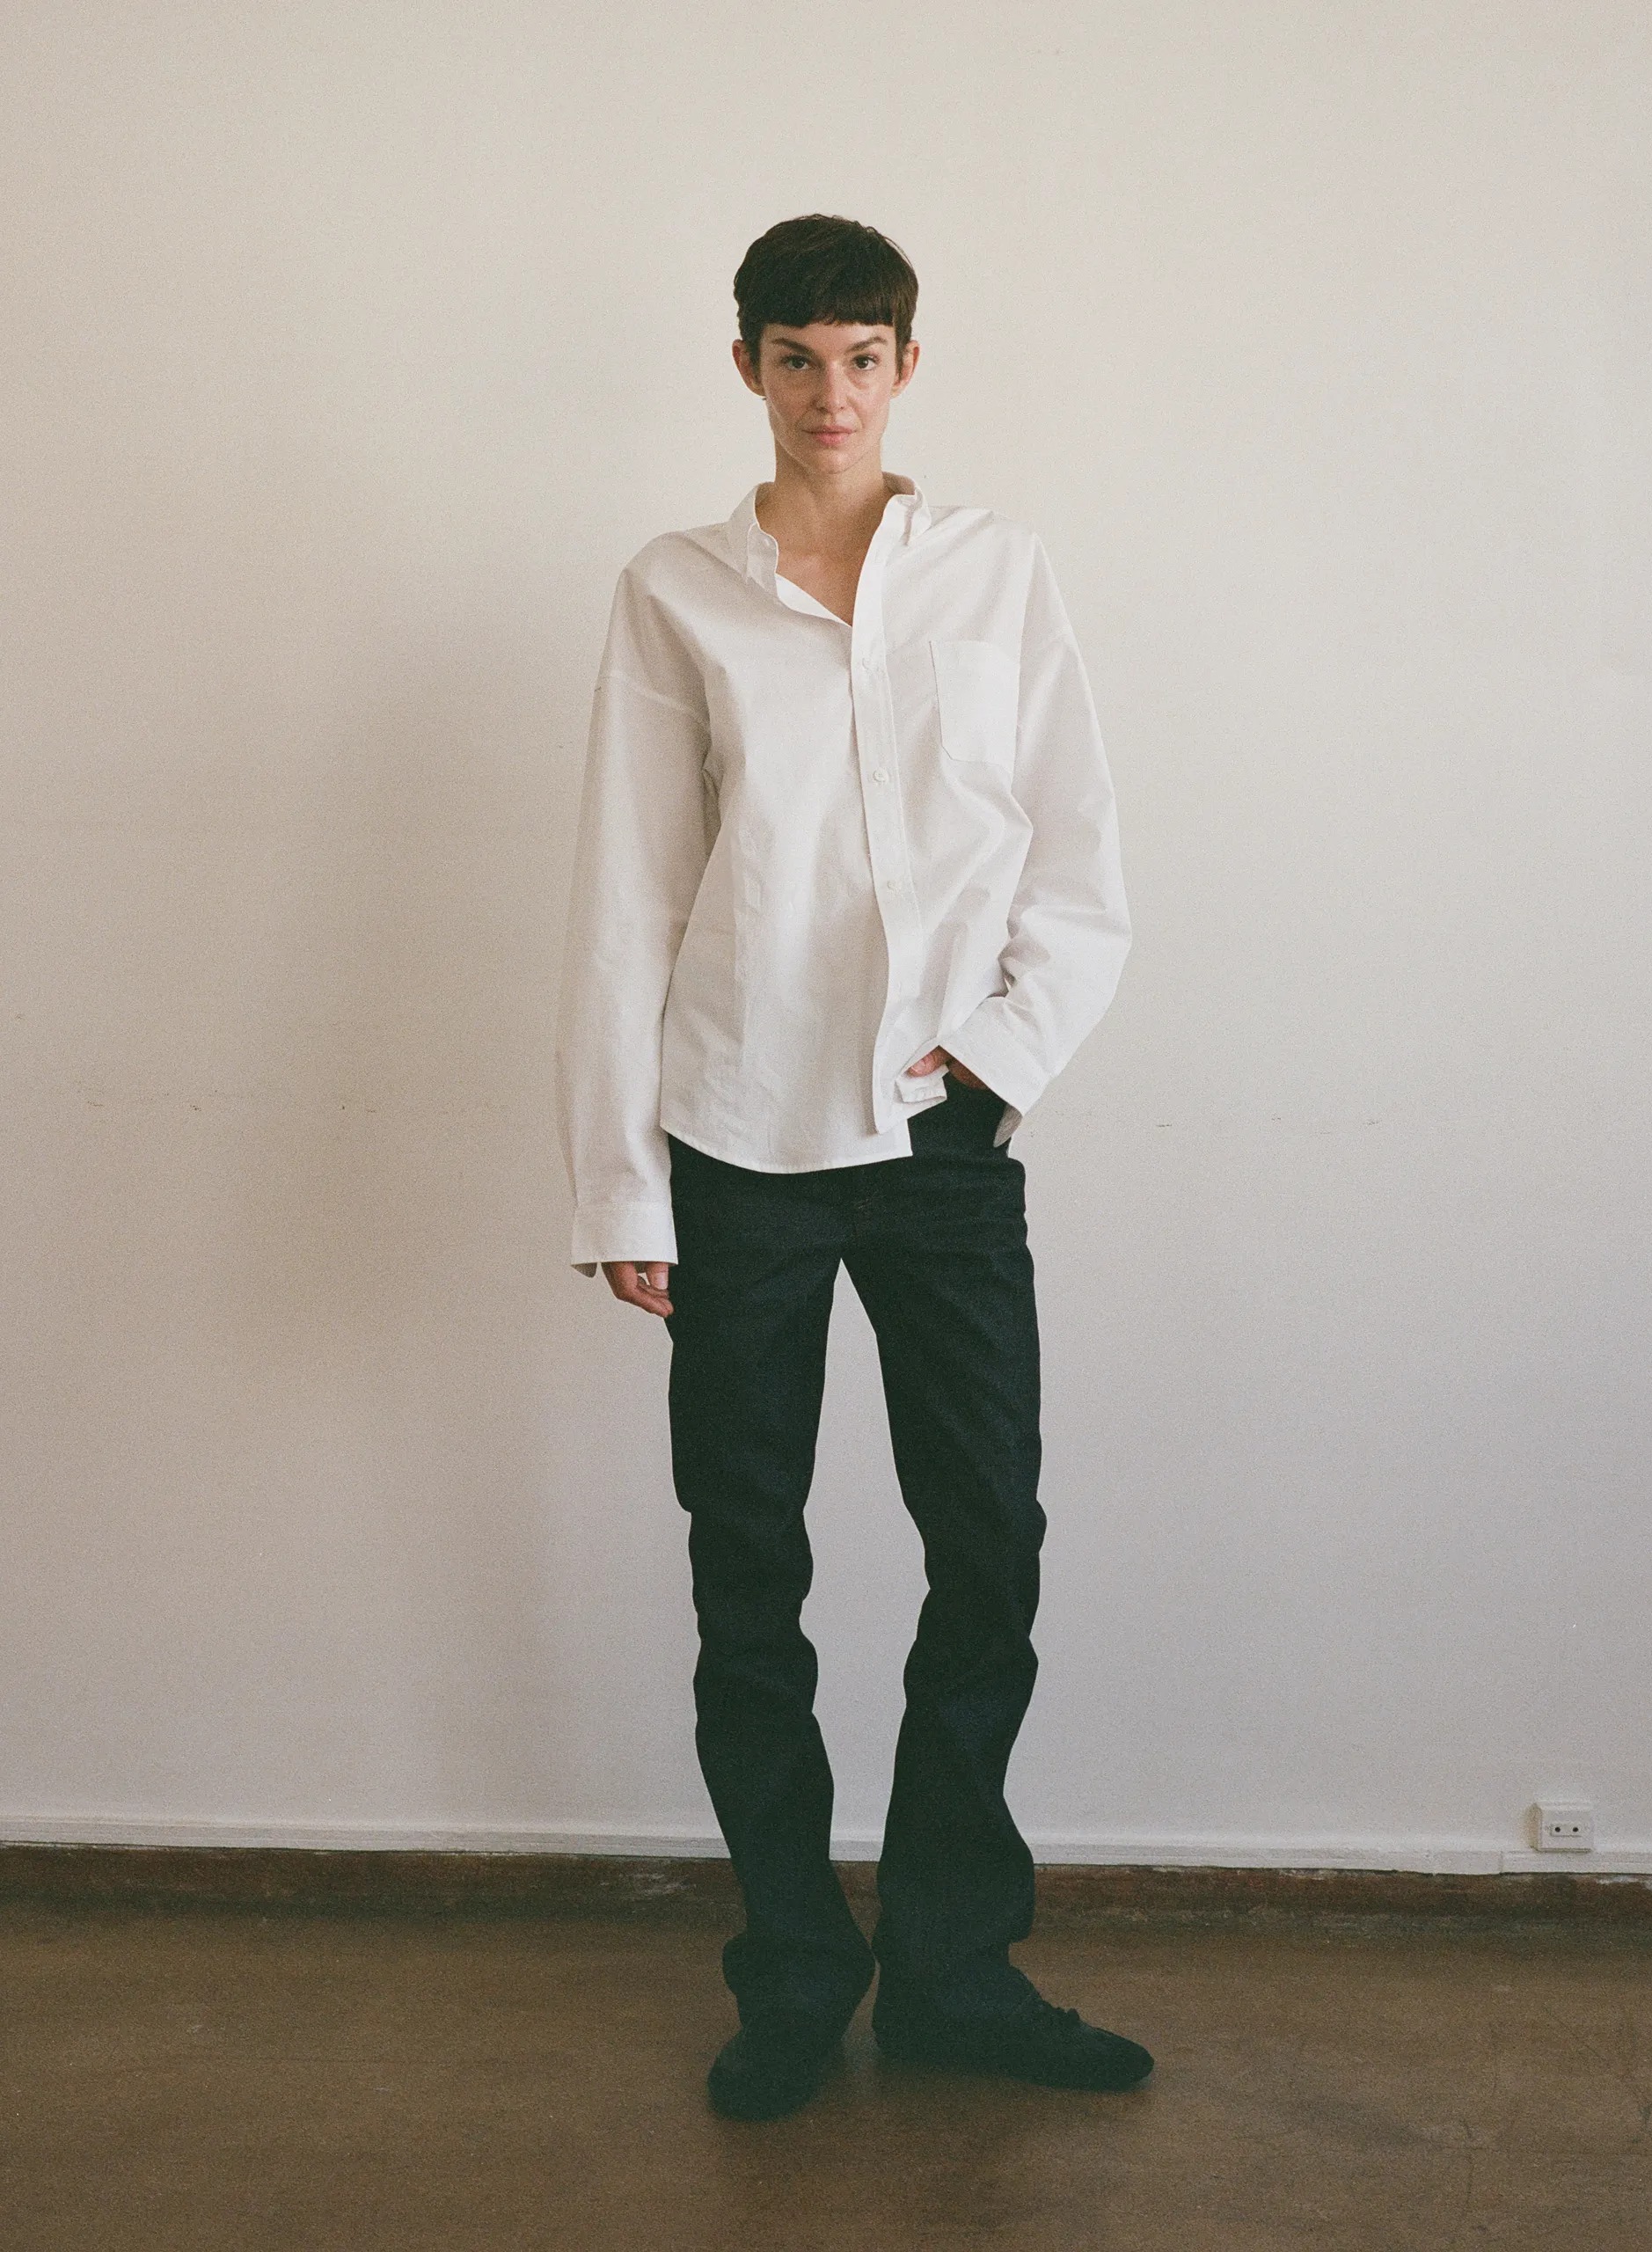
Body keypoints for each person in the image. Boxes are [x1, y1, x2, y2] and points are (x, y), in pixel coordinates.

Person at [554, 213, 1146, 2121]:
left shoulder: (996, 574)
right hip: (740, 1140)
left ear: (906, 366)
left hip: (944, 1140)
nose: (833, 393)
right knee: (750, 1569)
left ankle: (956, 1968)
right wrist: (621, 1186)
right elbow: (628, 898)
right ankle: (797, 1971)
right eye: (798, 357)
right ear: (747, 365)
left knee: (990, 1546)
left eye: (864, 357)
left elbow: (1079, 863)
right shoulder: (677, 591)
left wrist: (996, 1058)